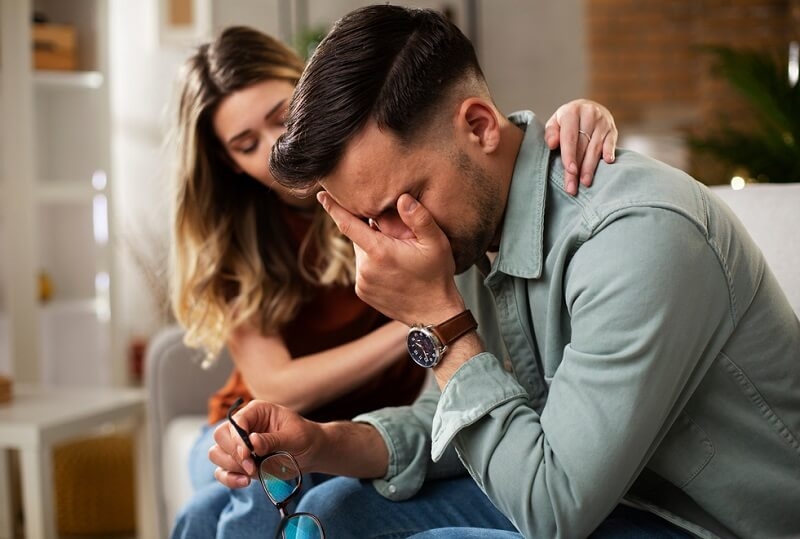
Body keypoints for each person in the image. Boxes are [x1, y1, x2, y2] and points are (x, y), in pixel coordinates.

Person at [210, 6, 800, 539]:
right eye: (371, 219)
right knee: (335, 511)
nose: (396, 240)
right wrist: (322, 442)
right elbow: (441, 423)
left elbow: (552, 510)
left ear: (480, 126)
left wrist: (440, 323)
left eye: (402, 202)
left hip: (702, 522)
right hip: (597, 500)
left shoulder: (636, 237)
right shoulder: (466, 227)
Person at [169, 24, 620, 538]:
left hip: (377, 418)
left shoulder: (412, 184)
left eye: (281, 119)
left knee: (290, 502)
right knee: (228, 501)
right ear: (227, 163)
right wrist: (431, 323)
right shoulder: (243, 238)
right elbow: (275, 385)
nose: (274, 151)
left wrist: (583, 115)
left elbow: (491, 146)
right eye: (246, 144)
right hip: (283, 417)